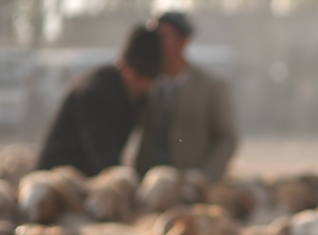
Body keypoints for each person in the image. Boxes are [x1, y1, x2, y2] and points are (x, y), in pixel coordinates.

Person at [37, 24, 162, 177]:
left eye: (149, 79)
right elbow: (103, 155)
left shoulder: (138, 96)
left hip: (91, 178)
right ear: (122, 64)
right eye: (138, 76)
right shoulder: (95, 92)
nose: (143, 84)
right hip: (59, 178)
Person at [134, 10, 238, 182]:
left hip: (188, 187)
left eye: (162, 37)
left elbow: (227, 137)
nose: (155, 44)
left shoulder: (210, 86)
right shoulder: (145, 83)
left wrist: (204, 177)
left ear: (183, 41)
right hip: (149, 185)